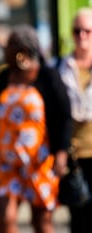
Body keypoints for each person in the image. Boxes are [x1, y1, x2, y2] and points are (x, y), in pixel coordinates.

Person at [0, 24, 72, 233]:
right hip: (8, 163)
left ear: (22, 51)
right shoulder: (3, 79)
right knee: (4, 216)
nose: (4, 51)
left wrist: (62, 152)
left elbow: (64, 116)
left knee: (42, 222)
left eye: (8, 47)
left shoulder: (47, 76)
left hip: (40, 161)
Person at [55, 7, 92, 233]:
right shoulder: (59, 67)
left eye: (87, 31)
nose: (82, 37)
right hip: (74, 155)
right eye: (77, 31)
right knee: (78, 216)